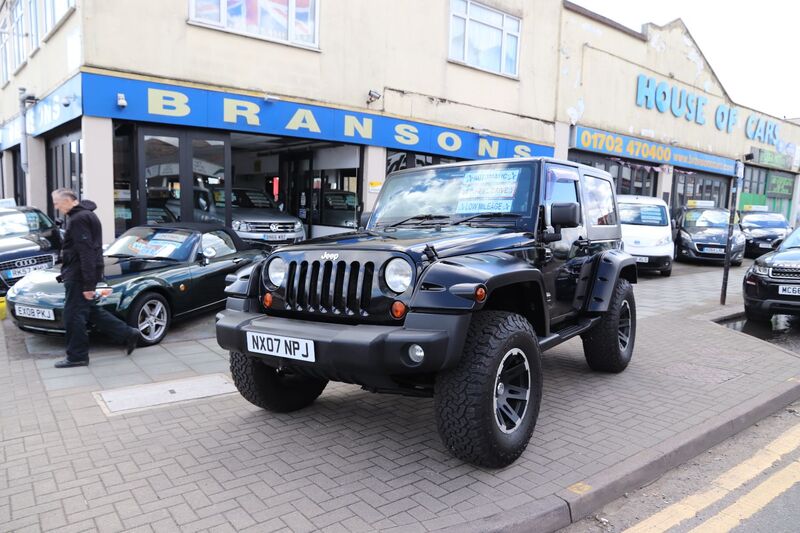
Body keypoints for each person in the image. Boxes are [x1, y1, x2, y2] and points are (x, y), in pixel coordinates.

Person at [51, 189, 140, 368]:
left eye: (57, 203)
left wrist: (88, 285)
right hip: (78, 273)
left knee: (73, 316)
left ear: (68, 200)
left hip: (79, 276)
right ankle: (128, 333)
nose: (56, 206)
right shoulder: (84, 216)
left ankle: (77, 356)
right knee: (91, 311)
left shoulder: (79, 219)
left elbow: (87, 252)